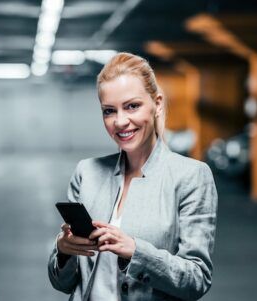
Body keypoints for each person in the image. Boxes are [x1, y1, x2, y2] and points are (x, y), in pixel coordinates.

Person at [48, 52, 218, 301]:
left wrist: (136, 252)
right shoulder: (87, 173)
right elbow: (63, 283)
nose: (120, 121)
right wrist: (63, 252)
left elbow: (196, 279)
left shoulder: (191, 176)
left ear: (157, 104)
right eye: (109, 111)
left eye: (132, 106)